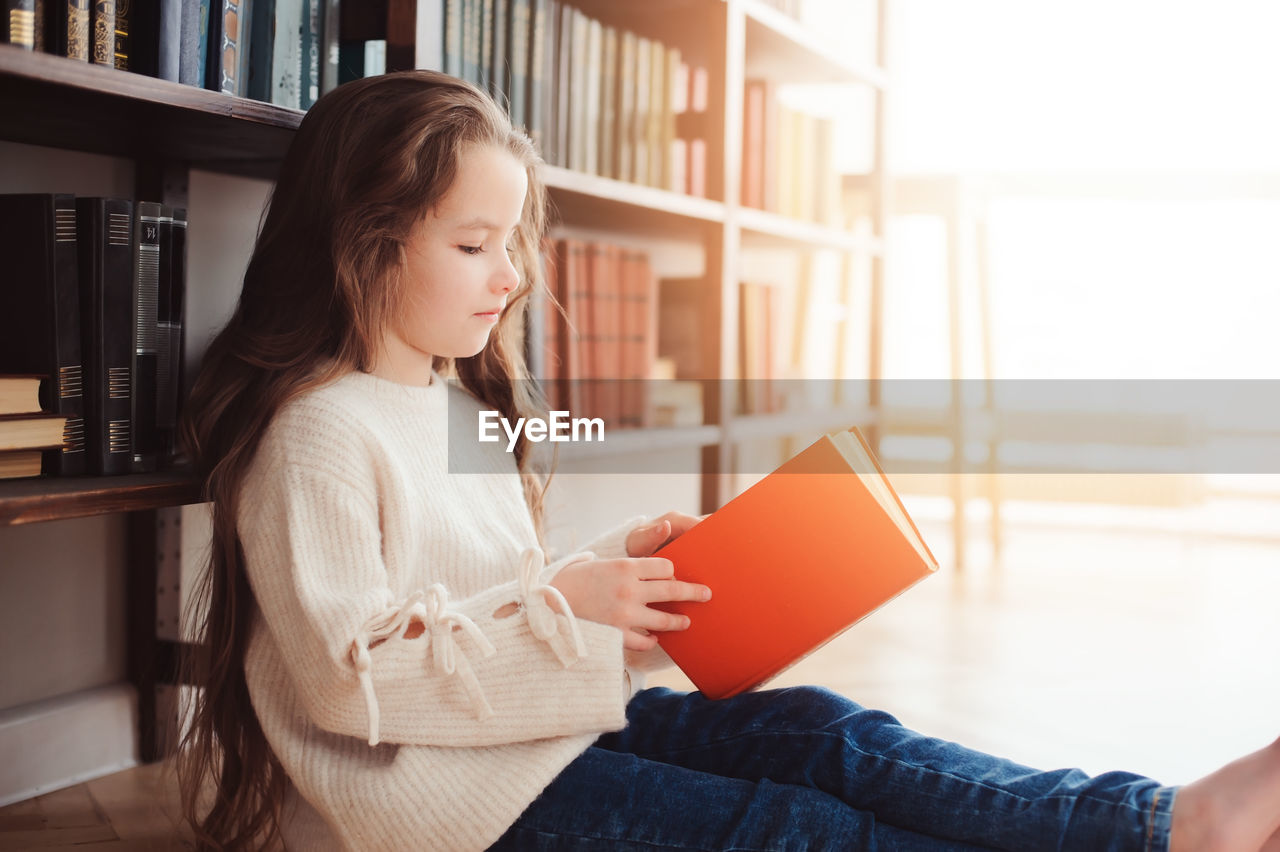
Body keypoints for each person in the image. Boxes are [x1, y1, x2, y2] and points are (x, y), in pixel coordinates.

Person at [175, 69, 1280, 852]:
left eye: (511, 243)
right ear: (358, 242)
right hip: (461, 808)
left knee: (827, 736)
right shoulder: (317, 434)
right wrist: (574, 608)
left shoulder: (446, 401)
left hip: (536, 739)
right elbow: (348, 675)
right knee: (798, 829)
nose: (508, 274)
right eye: (473, 246)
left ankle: (1162, 823)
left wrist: (622, 571)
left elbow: (482, 601)